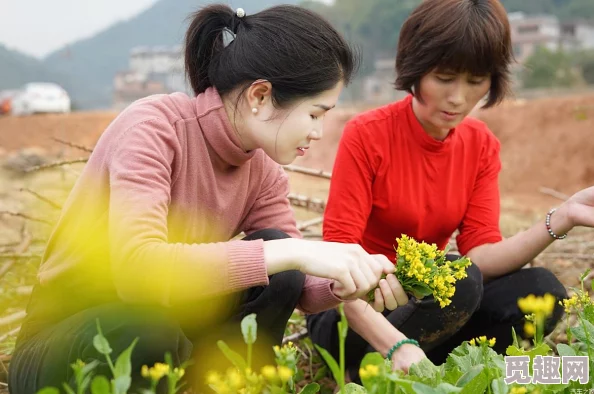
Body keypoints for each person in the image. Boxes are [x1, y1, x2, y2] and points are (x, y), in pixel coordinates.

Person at [7, 4, 401, 393]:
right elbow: (136, 272)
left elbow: (295, 283)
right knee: (150, 327)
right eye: (315, 114)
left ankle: (229, 386)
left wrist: (348, 281)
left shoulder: (261, 170)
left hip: (170, 332)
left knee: (280, 257)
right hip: (68, 342)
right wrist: (294, 254)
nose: (318, 132)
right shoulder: (154, 128)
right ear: (260, 96)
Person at [306, 0, 594, 383]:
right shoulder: (367, 134)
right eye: (444, 78)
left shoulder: (480, 144)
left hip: (431, 310)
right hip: (358, 314)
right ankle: (403, 369)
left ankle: (449, 374)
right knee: (461, 280)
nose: (458, 98)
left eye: (475, 81)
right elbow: (337, 263)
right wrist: (393, 338)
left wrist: (563, 217)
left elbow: (483, 252)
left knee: (541, 290)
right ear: (415, 68)